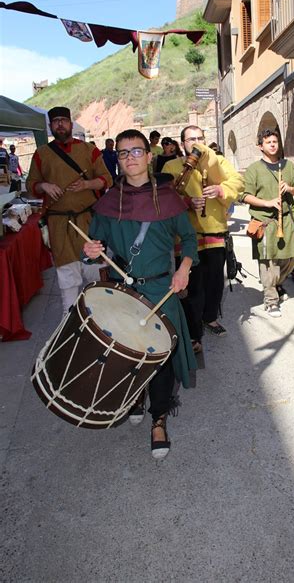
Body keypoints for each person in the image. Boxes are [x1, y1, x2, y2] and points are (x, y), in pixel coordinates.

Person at [83, 129, 198, 460]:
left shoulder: (169, 198)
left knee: (159, 359)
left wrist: (184, 268)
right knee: (127, 353)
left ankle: (158, 418)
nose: (130, 158)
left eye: (136, 151)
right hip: (124, 290)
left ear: (150, 156)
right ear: (116, 160)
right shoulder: (107, 203)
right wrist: (89, 250)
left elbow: (189, 240)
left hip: (162, 289)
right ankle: (134, 397)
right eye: (122, 153)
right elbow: (93, 246)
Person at [162, 125, 244, 350]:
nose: (196, 142)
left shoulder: (217, 161)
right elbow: (164, 196)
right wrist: (187, 203)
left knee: (215, 282)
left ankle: (209, 318)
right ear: (183, 144)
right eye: (191, 139)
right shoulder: (172, 166)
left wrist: (220, 190)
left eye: (200, 138)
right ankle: (192, 333)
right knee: (191, 286)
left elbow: (238, 182)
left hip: (215, 233)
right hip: (186, 237)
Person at [26, 107, 113, 316]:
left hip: (88, 222)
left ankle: (103, 323)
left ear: (71, 124)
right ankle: (71, 327)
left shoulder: (88, 150)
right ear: (50, 126)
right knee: (67, 279)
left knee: (95, 275)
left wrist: (86, 184)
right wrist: (43, 186)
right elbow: (31, 185)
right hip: (58, 226)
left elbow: (106, 179)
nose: (60, 124)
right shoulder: (41, 154)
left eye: (64, 120)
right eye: (55, 121)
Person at [243, 129, 294, 317]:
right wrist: (267, 202)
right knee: (268, 263)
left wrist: (290, 188)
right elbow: (245, 196)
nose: (272, 145)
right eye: (268, 142)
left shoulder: (288, 166)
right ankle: (270, 300)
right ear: (261, 146)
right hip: (264, 222)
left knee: (290, 259)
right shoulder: (254, 169)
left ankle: (276, 285)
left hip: (285, 220)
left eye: (275, 141)